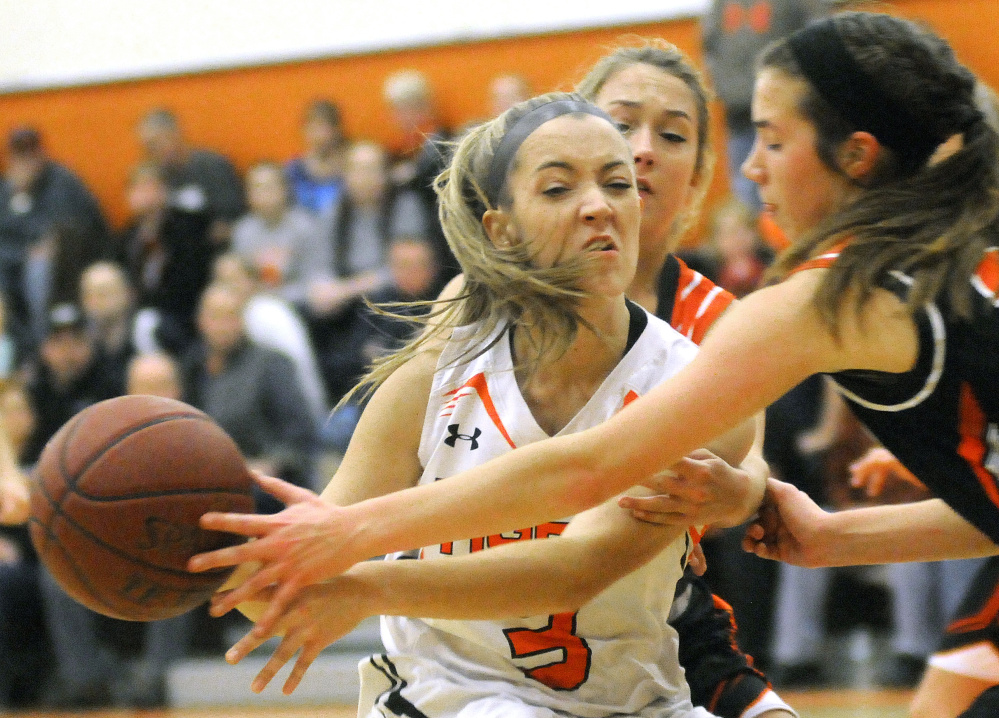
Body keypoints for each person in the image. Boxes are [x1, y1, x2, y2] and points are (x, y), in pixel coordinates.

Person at [218, 91, 766, 718]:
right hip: (452, 696)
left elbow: (578, 565)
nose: (599, 207)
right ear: (500, 229)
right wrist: (211, 564)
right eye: (558, 190)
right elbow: (291, 581)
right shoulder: (436, 375)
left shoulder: (698, 386)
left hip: (638, 702)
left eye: (618, 185)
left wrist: (369, 586)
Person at [180, 282, 320, 514]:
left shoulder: (272, 364)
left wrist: (269, 464)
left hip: (265, 484)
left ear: (242, 321)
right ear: (201, 321)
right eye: (214, 317)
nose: (222, 326)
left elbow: (301, 433)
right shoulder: (191, 367)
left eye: (230, 317)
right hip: (209, 480)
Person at [701, 0, 829, 213]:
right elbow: (709, 45)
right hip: (738, 110)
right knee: (746, 188)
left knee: (788, 189)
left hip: (788, 112)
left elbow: (818, 36)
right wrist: (723, 87)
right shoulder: (720, 4)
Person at [0, 127, 111, 341]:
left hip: (62, 264)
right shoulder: (6, 188)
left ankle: (42, 336)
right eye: (19, 155)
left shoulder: (62, 182)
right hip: (13, 258)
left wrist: (40, 244)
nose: (26, 161)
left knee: (39, 266)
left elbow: (73, 227)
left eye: (31, 153)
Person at [113, 161, 216, 354]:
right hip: (134, 315)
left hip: (181, 317)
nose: (144, 195)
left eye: (149, 186)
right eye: (137, 188)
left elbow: (190, 281)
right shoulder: (127, 238)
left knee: (146, 322)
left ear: (164, 191)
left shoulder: (186, 228)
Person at [136, 108, 245, 245]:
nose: (151, 153)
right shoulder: (160, 177)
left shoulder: (212, 167)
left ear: (175, 135)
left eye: (154, 145)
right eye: (147, 149)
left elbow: (234, 219)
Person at [231, 160, 321, 295]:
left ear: (285, 189)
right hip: (253, 300)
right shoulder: (243, 230)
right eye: (256, 188)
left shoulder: (305, 226)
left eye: (269, 187)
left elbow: (315, 280)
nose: (264, 195)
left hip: (298, 302)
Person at [285, 99, 349, 216]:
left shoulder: (351, 167)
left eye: (322, 127)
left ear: (336, 130)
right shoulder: (293, 170)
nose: (316, 135)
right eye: (311, 128)